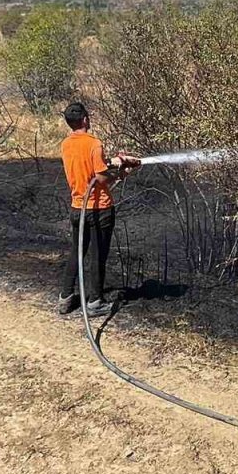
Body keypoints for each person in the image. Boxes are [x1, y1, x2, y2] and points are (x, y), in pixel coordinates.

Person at [57, 102, 141, 317]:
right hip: (99, 209)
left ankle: (65, 298)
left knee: (76, 252)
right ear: (85, 119)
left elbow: (91, 166)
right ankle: (95, 302)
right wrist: (120, 174)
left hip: (78, 208)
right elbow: (101, 177)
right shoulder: (94, 143)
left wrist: (117, 161)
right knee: (98, 255)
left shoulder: (66, 144)